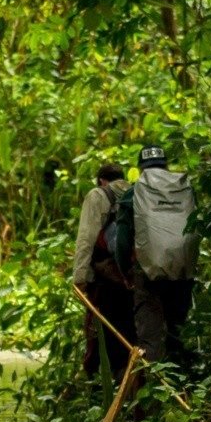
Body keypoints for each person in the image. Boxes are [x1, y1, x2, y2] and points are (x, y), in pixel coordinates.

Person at [121, 146, 199, 364]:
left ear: (140, 168)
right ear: (166, 165)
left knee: (151, 335)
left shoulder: (133, 192)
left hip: (147, 272)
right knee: (178, 329)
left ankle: (157, 389)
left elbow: (123, 239)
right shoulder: (186, 189)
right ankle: (184, 384)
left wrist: (125, 271)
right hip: (183, 272)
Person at [71, 162, 135, 378]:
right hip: (133, 276)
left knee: (99, 331)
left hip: (104, 279)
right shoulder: (136, 192)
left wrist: (79, 277)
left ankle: (100, 383)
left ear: (101, 180)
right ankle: (127, 379)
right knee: (128, 329)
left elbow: (85, 239)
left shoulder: (98, 195)